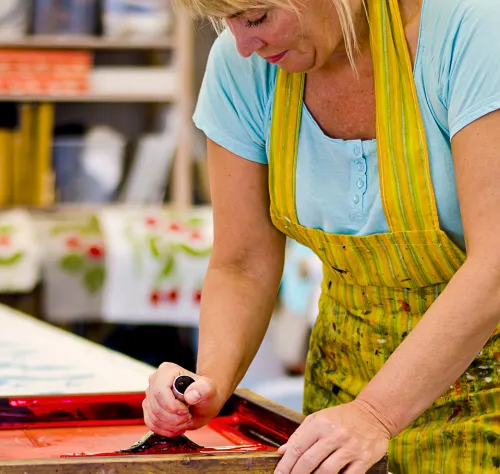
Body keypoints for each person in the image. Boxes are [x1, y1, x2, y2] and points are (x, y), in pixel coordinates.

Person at [143, 0, 500, 472]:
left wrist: (376, 412)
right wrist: (207, 383)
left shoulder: (473, 31)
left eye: (257, 17)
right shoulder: (243, 70)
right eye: (226, 22)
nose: (244, 46)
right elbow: (243, 261)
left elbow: (495, 263)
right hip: (339, 409)